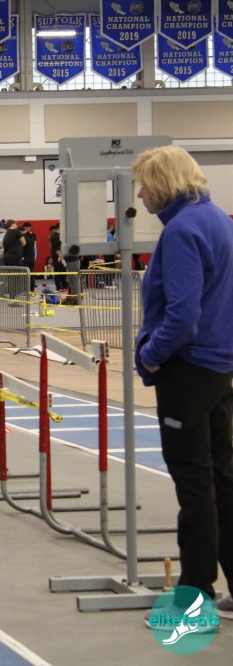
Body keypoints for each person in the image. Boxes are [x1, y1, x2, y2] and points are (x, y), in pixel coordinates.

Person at [133, 145, 233, 623]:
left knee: (194, 483)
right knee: (222, 479)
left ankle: (195, 596)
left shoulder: (182, 231)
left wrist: (150, 358)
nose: (139, 195)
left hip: (188, 371)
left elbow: (183, 315)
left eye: (144, 185)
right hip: (219, 369)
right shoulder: (218, 220)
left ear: (163, 184)